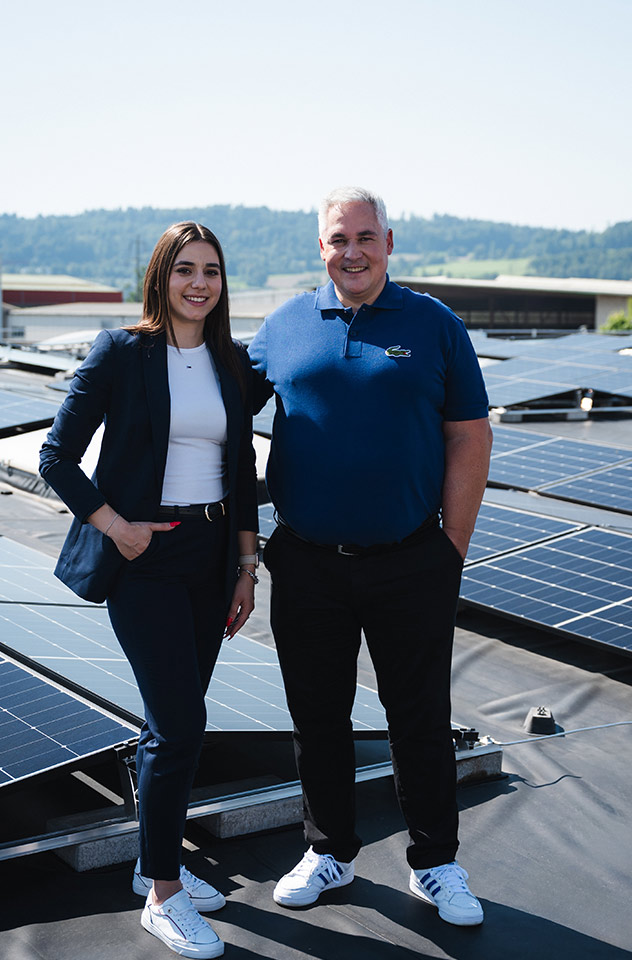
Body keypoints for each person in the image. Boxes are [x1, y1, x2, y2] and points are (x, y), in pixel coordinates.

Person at [248, 187, 492, 927]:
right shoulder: (283, 327)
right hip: (309, 560)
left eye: (365, 237)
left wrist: (450, 546)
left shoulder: (434, 325)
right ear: (319, 247)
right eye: (336, 239)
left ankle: (436, 863)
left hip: (411, 558)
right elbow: (217, 415)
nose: (351, 252)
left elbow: (469, 436)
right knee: (316, 715)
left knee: (418, 715)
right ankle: (330, 852)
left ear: (389, 242)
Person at [40, 221, 258, 959]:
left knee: (175, 721)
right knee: (179, 724)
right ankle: (164, 897)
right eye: (186, 269)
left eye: (213, 271)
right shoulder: (122, 353)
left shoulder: (231, 362)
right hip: (146, 555)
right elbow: (56, 457)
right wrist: (114, 525)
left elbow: (244, 470)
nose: (200, 283)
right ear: (160, 276)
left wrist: (246, 565)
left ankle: (148, 862)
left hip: (211, 554)